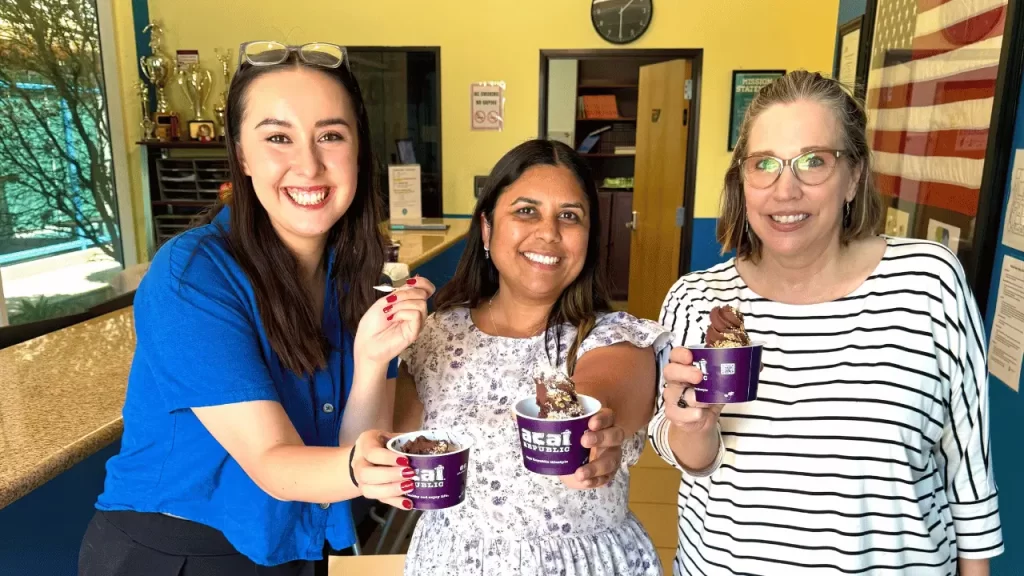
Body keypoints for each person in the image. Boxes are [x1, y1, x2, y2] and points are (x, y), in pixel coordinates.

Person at [78, 41, 433, 575]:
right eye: (277, 138)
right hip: (175, 554)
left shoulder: (359, 276)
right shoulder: (193, 274)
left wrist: (368, 364)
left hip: (295, 545)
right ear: (241, 154)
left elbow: (353, 449)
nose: (308, 165)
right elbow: (272, 461)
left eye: (330, 136)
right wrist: (369, 471)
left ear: (358, 149)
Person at [648, 70, 1003, 575]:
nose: (784, 189)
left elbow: (969, 468)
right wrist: (694, 425)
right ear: (743, 180)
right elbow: (684, 454)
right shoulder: (696, 299)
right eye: (764, 164)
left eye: (814, 161)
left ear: (854, 175)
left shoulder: (929, 283)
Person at [394, 139, 672, 575]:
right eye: (526, 211)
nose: (549, 232)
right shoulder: (434, 336)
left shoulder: (618, 338)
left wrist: (586, 437)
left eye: (570, 216)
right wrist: (372, 357)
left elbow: (599, 400)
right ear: (487, 229)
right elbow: (384, 446)